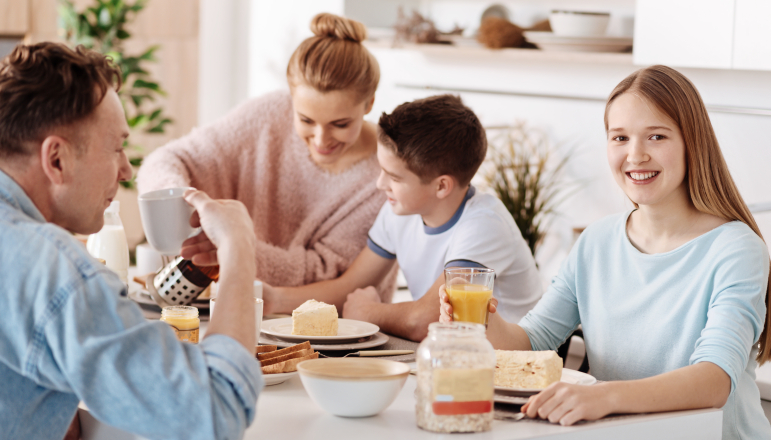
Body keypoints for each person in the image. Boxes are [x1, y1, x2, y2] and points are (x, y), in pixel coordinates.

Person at [439, 65, 771, 439]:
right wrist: (482, 324)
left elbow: (715, 381)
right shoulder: (596, 241)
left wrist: (602, 396)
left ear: (692, 142)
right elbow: (531, 342)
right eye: (619, 138)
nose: (635, 155)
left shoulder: (735, 248)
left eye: (657, 136)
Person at [0, 42, 262, 440]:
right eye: (118, 148)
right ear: (56, 159)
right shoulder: (58, 274)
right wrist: (239, 247)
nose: (125, 170)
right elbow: (212, 415)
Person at [137, 13, 395, 296]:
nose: (321, 139)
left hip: (336, 330)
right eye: (306, 120)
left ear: (369, 103)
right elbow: (168, 160)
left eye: (340, 124)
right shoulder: (269, 115)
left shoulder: (385, 175)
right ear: (292, 99)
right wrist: (177, 202)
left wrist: (234, 245)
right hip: (241, 310)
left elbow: (325, 275)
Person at [266, 95, 543, 342]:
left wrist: (367, 311)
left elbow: (424, 320)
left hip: (511, 369)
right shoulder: (401, 210)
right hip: (456, 355)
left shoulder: (484, 225)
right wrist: (273, 299)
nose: (379, 184)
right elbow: (350, 286)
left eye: (395, 177)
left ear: (441, 186)